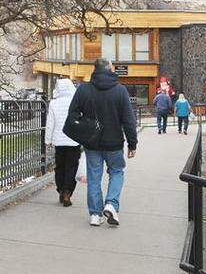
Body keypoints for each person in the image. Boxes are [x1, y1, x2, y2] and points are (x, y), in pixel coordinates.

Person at [67, 58, 137, 227]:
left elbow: (72, 115)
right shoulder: (120, 91)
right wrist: (132, 143)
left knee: (94, 178)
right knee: (117, 172)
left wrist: (85, 130)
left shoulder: (84, 89)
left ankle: (95, 214)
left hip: (92, 143)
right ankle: (111, 204)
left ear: (95, 70)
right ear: (110, 69)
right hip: (114, 143)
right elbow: (129, 120)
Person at [44, 78, 81, 207]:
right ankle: (67, 191)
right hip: (74, 140)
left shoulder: (54, 103)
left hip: (59, 141)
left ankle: (61, 189)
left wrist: (47, 140)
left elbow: (50, 124)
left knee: (60, 166)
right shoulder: (76, 102)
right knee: (72, 167)